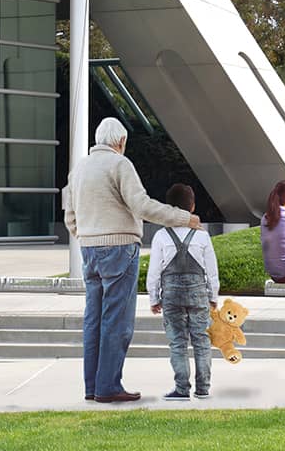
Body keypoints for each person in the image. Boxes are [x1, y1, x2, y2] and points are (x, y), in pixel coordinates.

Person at [63, 117, 202, 404]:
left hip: (89, 250)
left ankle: (93, 386)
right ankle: (108, 387)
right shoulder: (119, 164)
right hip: (119, 248)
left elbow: (69, 212)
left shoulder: (79, 168)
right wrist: (183, 218)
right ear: (121, 141)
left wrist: (86, 236)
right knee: (117, 320)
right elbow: (142, 205)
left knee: (94, 319)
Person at [147, 183, 220, 401]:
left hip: (171, 294)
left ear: (168, 208)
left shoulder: (161, 235)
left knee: (177, 341)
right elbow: (212, 270)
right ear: (193, 206)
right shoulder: (202, 236)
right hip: (198, 293)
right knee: (201, 340)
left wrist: (154, 297)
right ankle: (203, 387)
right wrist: (213, 296)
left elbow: (154, 272)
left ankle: (181, 388)